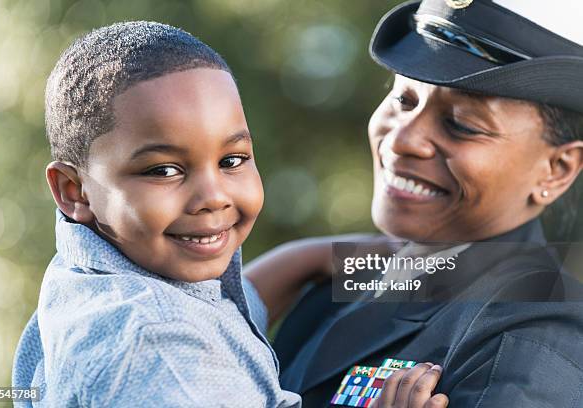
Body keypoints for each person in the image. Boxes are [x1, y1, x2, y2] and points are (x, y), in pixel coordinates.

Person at [245, 0, 583, 407]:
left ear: (556, 169)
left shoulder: (532, 335)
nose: (401, 140)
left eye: (461, 125)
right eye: (404, 100)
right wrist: (298, 259)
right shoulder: (353, 279)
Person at [10, 21, 303, 407]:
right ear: (74, 191)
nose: (213, 197)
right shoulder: (157, 351)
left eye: (232, 160)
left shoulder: (89, 276)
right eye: (163, 170)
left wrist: (338, 261)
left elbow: (222, 304)